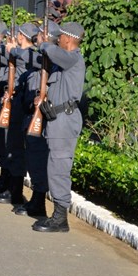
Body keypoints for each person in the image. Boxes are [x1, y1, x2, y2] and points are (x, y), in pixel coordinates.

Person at [32, 21, 86, 232]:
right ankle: (56, 214)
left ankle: (60, 218)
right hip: (57, 119)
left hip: (65, 120)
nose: (58, 39)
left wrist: (45, 42)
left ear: (70, 39)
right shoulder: (62, 60)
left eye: (60, 37)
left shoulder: (72, 58)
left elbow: (50, 50)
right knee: (54, 167)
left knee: (59, 168)